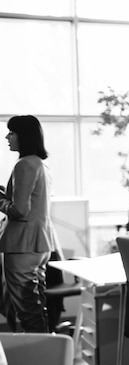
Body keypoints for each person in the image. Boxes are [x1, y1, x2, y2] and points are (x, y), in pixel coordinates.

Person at [0, 115, 56, 333]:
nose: (7, 136)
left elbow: (19, 210)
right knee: (36, 305)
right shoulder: (40, 165)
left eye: (11, 132)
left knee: (27, 310)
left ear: (23, 136)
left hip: (22, 246)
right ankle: (48, 355)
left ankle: (38, 361)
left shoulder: (23, 164)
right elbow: (31, 202)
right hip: (39, 245)